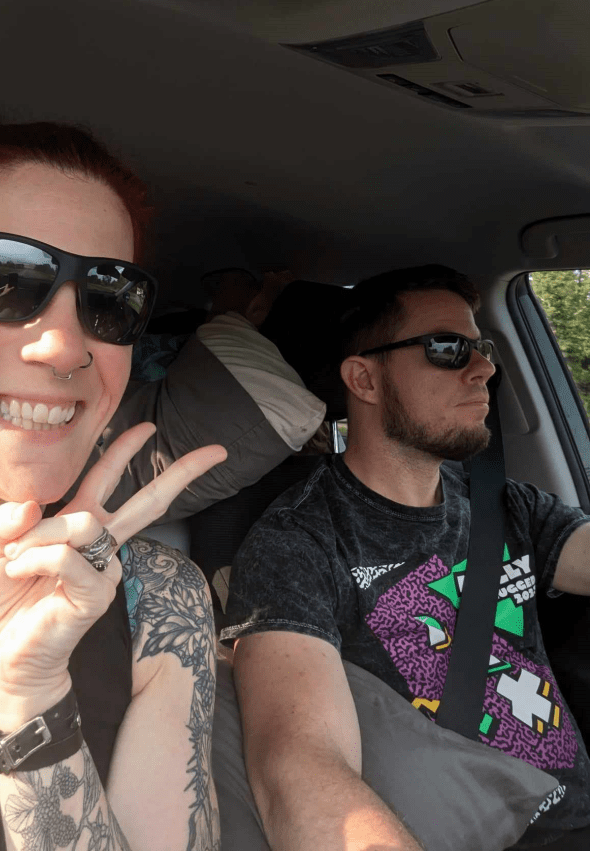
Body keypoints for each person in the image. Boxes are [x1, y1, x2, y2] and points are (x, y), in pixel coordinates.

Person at [0, 121, 326, 851]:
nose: (64, 347)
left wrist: (30, 703)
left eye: (109, 298)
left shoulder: (160, 599)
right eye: (0, 279)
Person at [223, 264, 590, 850]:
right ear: (364, 379)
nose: (484, 369)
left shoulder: (506, 503)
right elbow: (297, 766)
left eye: (481, 348)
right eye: (447, 349)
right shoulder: (297, 543)